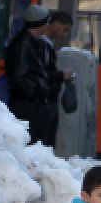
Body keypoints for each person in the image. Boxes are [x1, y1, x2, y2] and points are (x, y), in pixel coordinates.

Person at [5, 4, 59, 146]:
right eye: (46, 21)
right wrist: (36, 92)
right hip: (28, 104)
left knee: (38, 142)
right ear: (39, 23)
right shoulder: (24, 44)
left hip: (33, 102)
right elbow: (19, 77)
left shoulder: (33, 42)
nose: (48, 25)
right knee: (32, 143)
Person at [38, 10, 74, 147]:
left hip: (48, 100)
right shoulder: (41, 45)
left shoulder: (47, 45)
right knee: (44, 141)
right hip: (44, 100)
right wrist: (61, 75)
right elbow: (42, 73)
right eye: (65, 30)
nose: (64, 35)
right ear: (56, 24)